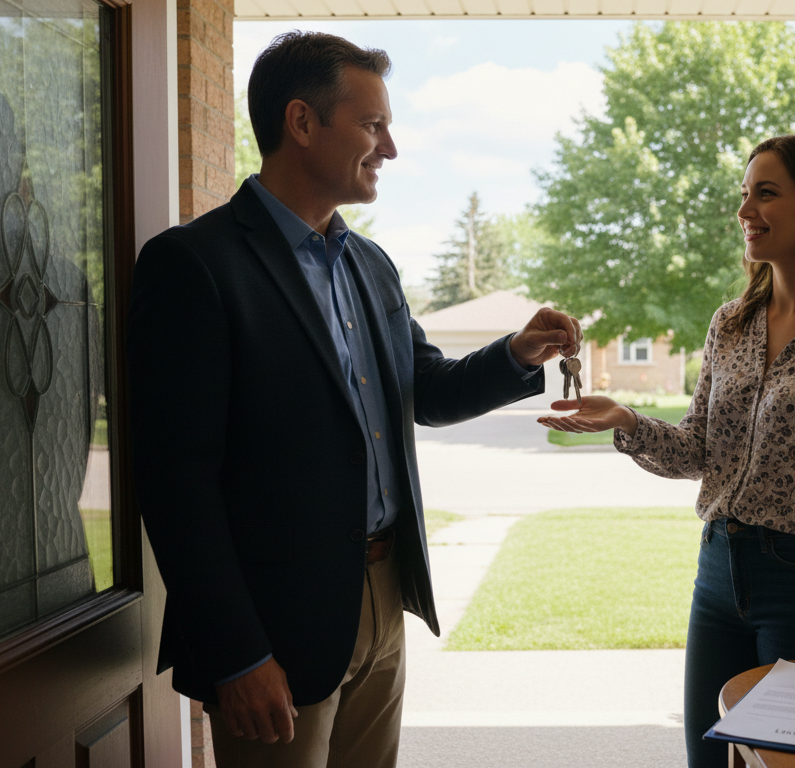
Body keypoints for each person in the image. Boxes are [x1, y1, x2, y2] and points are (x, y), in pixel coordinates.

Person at [127, 31, 581, 768]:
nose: (390, 148)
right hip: (272, 630)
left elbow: (425, 389)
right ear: (302, 122)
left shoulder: (370, 264)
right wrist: (238, 653)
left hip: (382, 601)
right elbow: (175, 483)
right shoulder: (193, 265)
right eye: (373, 126)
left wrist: (516, 354)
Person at [540, 134, 795, 767]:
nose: (745, 211)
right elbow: (697, 451)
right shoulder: (730, 323)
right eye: (744, 194)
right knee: (707, 761)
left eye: (766, 193)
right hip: (717, 573)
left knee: (791, 764)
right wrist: (626, 420)